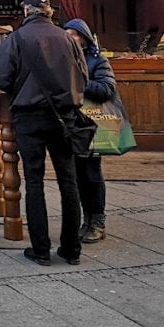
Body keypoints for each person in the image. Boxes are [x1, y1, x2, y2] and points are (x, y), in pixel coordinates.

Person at [0, 0, 88, 267]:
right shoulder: (68, 38)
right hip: (64, 116)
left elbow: (2, 79)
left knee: (34, 182)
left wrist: (22, 90)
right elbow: (82, 76)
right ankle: (72, 249)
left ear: (25, 10)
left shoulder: (14, 40)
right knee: (68, 181)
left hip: (29, 116)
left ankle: (41, 249)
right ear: (48, 11)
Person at [64, 18, 117, 243]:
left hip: (92, 125)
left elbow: (107, 88)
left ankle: (98, 221)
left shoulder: (97, 61)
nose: (69, 37)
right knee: (76, 174)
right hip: (73, 124)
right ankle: (86, 219)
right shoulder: (63, 59)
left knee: (92, 174)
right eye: (66, 33)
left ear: (83, 38)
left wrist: (79, 83)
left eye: (73, 34)